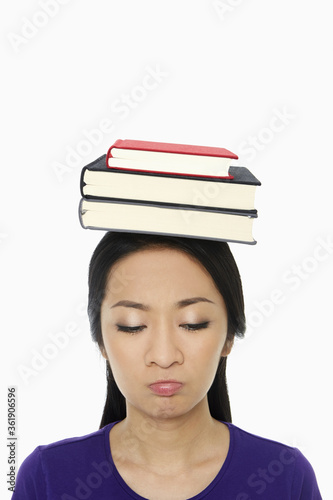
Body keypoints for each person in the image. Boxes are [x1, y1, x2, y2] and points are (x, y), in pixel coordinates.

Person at [12, 232, 322, 499]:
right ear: (101, 341)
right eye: (132, 325)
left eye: (192, 323)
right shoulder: (48, 478)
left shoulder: (285, 477)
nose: (163, 355)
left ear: (229, 335)